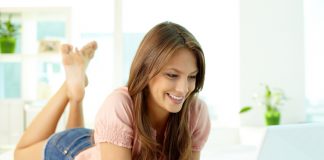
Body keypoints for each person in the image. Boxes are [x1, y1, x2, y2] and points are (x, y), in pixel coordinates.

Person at [14, 21, 211, 160]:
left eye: (192, 76)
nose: (184, 89)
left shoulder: (196, 111)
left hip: (104, 145)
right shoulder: (119, 103)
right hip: (72, 149)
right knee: (20, 154)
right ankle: (70, 89)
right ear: (146, 71)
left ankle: (76, 91)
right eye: (172, 75)